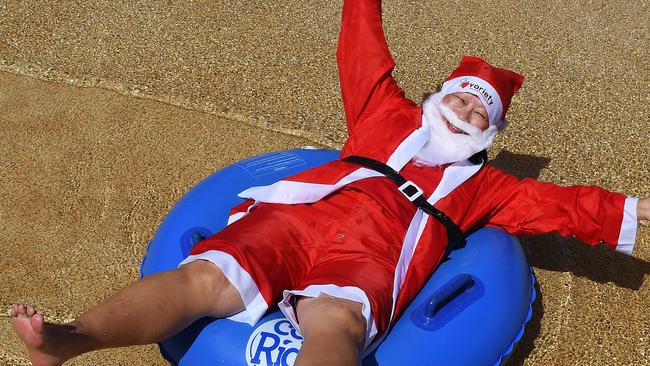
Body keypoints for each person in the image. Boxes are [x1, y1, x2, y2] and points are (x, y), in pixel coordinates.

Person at [10, 0, 649, 365]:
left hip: (376, 251)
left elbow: (571, 208)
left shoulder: (490, 187)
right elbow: (362, 45)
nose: (468, 113)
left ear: (489, 134)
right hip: (300, 215)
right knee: (202, 280)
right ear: (437, 99)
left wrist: (639, 211)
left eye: (483, 114)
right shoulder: (385, 114)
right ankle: (69, 339)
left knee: (336, 325)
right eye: (461, 101)